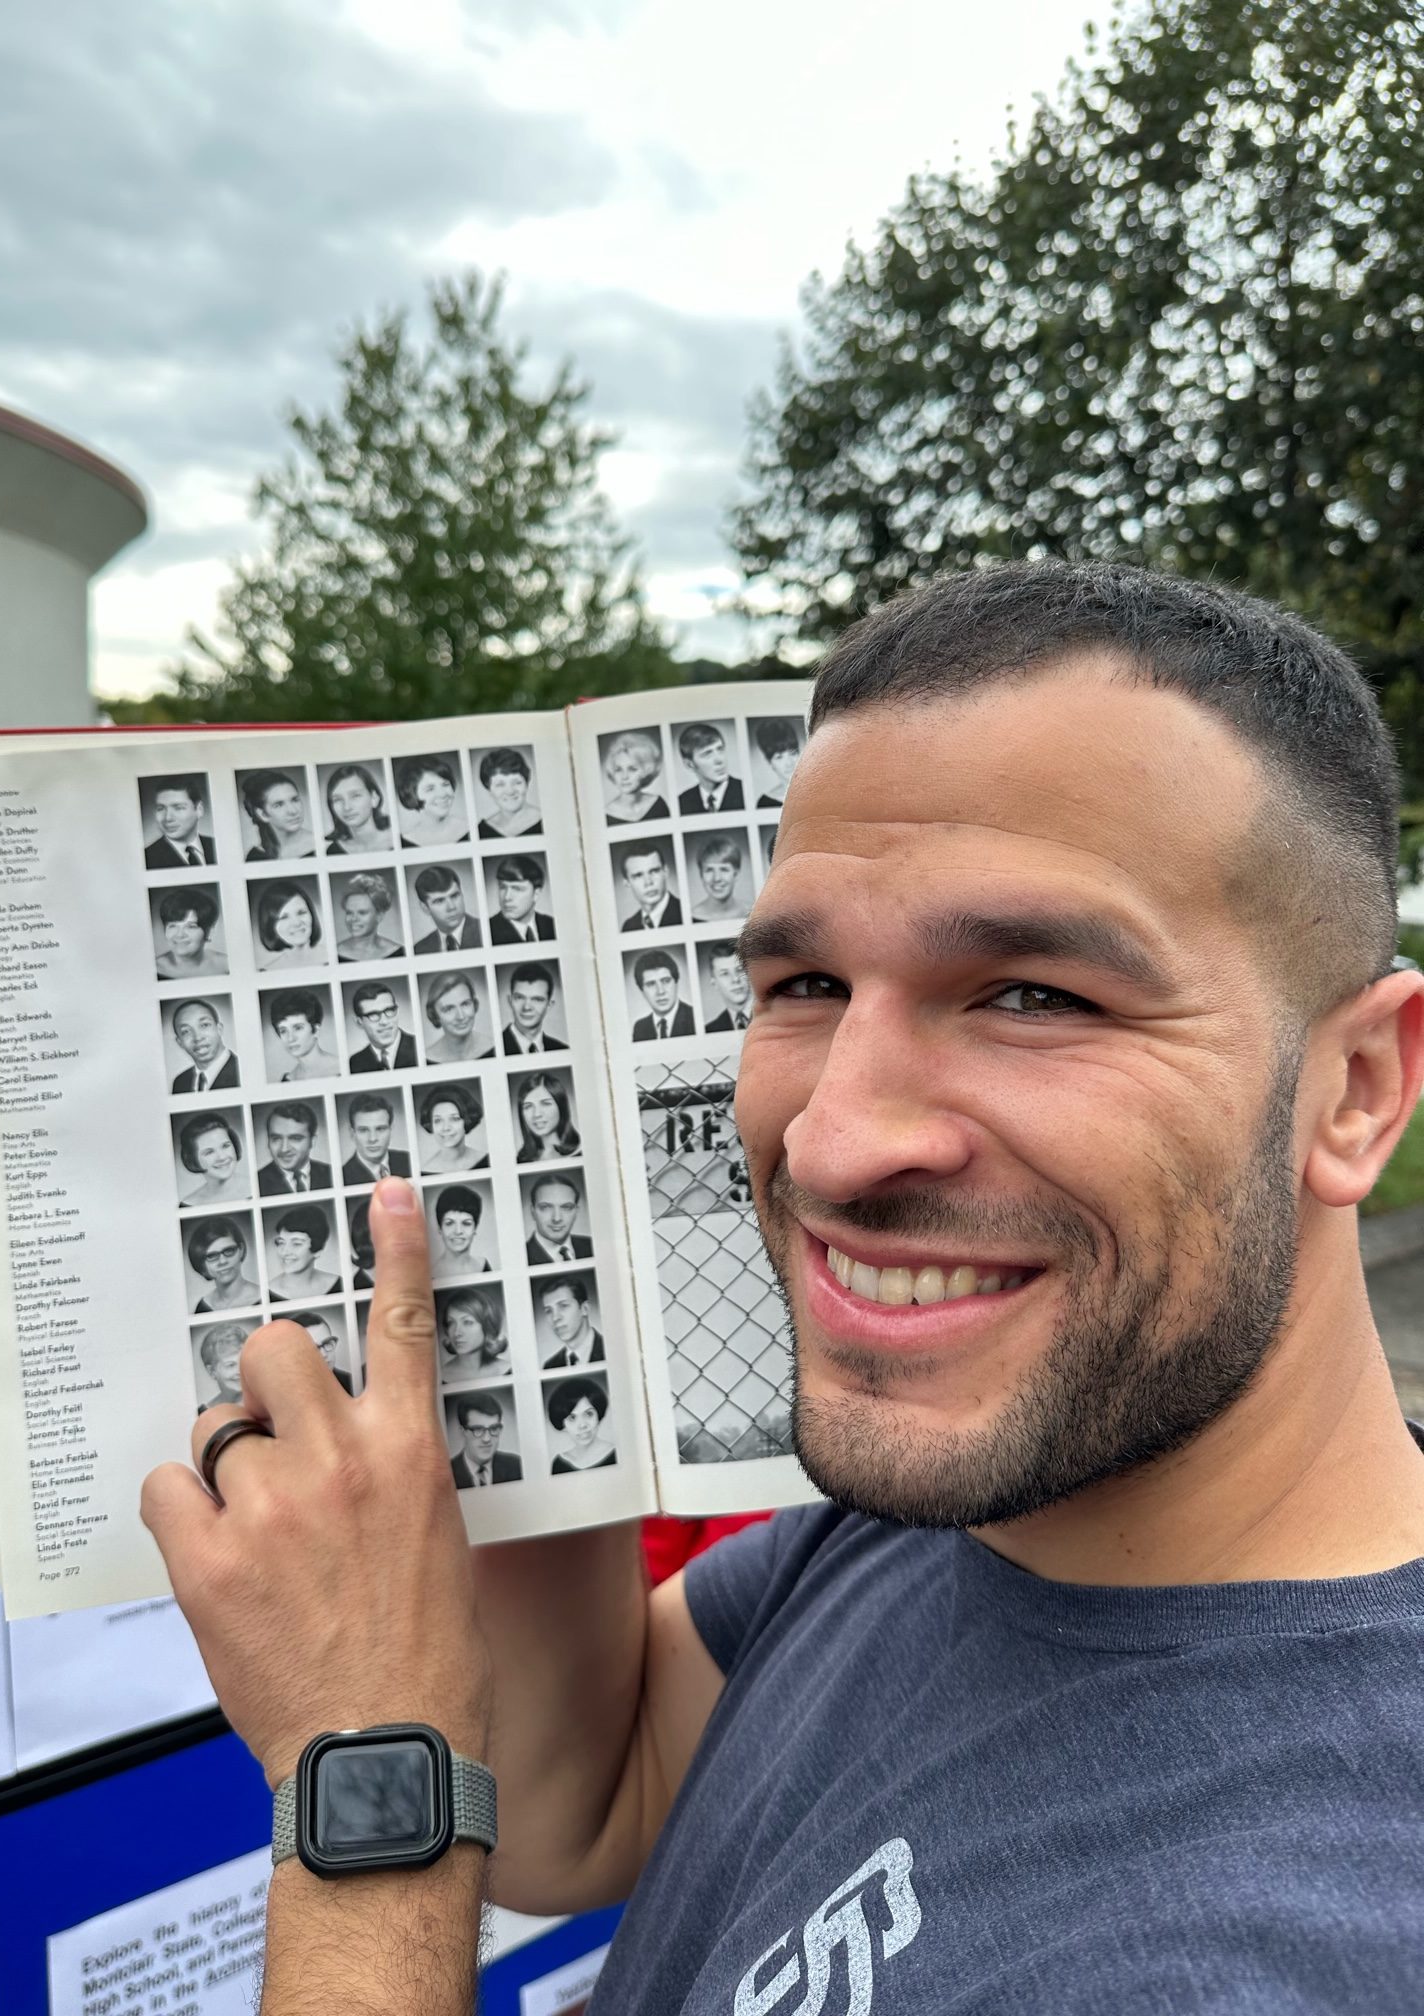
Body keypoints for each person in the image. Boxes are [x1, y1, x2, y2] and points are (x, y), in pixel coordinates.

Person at [147, 563, 1424, 2016]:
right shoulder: (972, 1510)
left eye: (1034, 996)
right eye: (804, 986)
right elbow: (584, 1803)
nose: (832, 1136)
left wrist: (364, 1759)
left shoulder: (1302, 1949)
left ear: (1357, 1091)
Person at [266, 1203, 340, 1302]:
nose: (284, 1251)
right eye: (281, 1242)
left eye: (296, 1243)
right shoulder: (266, 1292)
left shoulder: (340, 1284)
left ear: (318, 1250)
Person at [257, 1101, 333, 1196]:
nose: (284, 1149)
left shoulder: (333, 1174)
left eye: (295, 1138)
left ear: (312, 1141)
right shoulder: (256, 1183)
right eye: (276, 1139)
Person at [394, 754, 470, 849]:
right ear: (412, 795)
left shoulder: (471, 829)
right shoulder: (403, 844)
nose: (442, 794)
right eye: (430, 789)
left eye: (445, 784)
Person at [155, 886, 229, 980]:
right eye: (172, 926)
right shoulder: (153, 970)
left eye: (191, 926)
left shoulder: (228, 965)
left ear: (209, 932)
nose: (180, 935)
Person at [242, 769, 317, 862]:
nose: (293, 811)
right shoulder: (255, 856)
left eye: (295, 800)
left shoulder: (323, 846)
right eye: (278, 805)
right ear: (263, 814)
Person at [184, 1218, 257, 1313]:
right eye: (212, 1256)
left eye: (229, 1251)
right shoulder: (202, 1307)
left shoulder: (265, 1297)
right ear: (202, 1262)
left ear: (241, 1250)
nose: (222, 1261)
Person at [438, 1290, 511, 1384]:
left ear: (487, 1326)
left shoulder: (509, 1370)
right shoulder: (440, 1377)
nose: (456, 1332)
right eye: (451, 1323)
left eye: (467, 1322)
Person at [178, 1112, 250, 1207]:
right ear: (193, 1159)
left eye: (225, 1146)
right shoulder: (187, 1205)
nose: (222, 1157)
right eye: (209, 1152)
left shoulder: (260, 1187)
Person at [546, 1376, 616, 1473]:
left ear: (598, 1415)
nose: (582, 1425)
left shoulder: (617, 1454)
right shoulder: (558, 1463)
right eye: (572, 1418)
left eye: (589, 1414)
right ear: (563, 1424)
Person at [144, 775, 215, 869]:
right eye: (160, 808)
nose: (168, 818)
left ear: (199, 809)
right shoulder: (147, 858)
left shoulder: (216, 846)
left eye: (178, 808)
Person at [169, 998, 239, 1093]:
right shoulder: (180, 1082)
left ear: (219, 1029)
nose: (197, 1038)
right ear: (180, 1042)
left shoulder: (242, 1072)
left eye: (204, 1025)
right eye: (186, 1031)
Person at [341, 1092, 412, 1185]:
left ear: (391, 1130)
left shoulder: (409, 1161)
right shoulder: (343, 1178)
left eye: (380, 1129)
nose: (372, 1139)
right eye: (363, 1130)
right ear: (352, 1133)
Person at [410, 865, 483, 955]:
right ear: (425, 908)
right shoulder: (419, 950)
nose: (451, 907)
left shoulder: (488, 932)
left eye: (454, 896)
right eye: (440, 901)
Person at [601, 731, 669, 826]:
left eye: (632, 769)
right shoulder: (606, 814)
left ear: (646, 770)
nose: (624, 776)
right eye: (618, 770)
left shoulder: (658, 804)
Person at [268, 990, 338, 1082]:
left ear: (316, 1030)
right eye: (283, 1031)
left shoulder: (342, 1068)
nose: (290, 1038)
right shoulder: (288, 1080)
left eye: (298, 1028)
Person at [424, 972, 493, 1063]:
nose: (460, 1016)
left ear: (475, 1005)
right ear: (434, 1015)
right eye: (448, 1009)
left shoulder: (495, 1047)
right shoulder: (425, 1059)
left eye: (465, 1004)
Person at [324, 763, 393, 855]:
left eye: (355, 796)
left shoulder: (399, 844)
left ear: (374, 798)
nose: (347, 807)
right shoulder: (332, 852)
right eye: (337, 799)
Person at [676, 721, 743, 815]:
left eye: (720, 749)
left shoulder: (744, 791)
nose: (720, 760)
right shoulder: (681, 803)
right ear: (689, 765)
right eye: (707, 754)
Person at [525, 1173, 593, 1265]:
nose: (557, 1218)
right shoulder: (521, 1257)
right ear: (532, 1212)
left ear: (576, 1211)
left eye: (566, 1207)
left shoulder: (592, 1246)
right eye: (545, 1207)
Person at [348, 981, 418, 1072]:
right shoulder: (354, 1063)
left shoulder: (420, 1047)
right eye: (373, 1015)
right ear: (359, 1022)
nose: (384, 1022)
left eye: (389, 1011)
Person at [500, 962, 566, 1056]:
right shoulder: (492, 1051)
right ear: (510, 1001)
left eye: (537, 999)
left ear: (549, 1005)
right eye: (519, 997)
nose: (527, 1007)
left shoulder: (562, 1051)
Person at [256, 882, 326, 971]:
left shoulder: (335, 958)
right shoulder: (266, 972)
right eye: (284, 917)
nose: (296, 923)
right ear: (270, 926)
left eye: (301, 912)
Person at [538, 1275, 604, 1368]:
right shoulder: (549, 1366)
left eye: (563, 1306)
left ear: (584, 1308)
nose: (555, 1318)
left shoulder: (611, 1350)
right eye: (549, 1311)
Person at [515, 1071, 581, 1163]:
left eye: (546, 1103)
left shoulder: (584, 1152)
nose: (536, 1114)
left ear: (561, 1106)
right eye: (528, 1106)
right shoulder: (519, 1161)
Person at [429, 1185, 492, 1282]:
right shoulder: (430, 1274)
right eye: (449, 1223)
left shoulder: (483, 1265)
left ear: (475, 1227)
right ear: (439, 1228)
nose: (458, 1231)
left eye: (466, 1223)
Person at [419, 1083, 487, 1172]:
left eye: (454, 1119)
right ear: (430, 1124)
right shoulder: (426, 1171)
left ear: (467, 1120)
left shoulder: (487, 1160)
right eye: (438, 1121)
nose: (446, 1127)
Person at [630, 949, 696, 1041]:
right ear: (642, 990)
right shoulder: (640, 1028)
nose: (660, 991)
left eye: (666, 981)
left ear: (676, 982)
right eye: (651, 984)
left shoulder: (695, 1018)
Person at [335, 873, 402, 962]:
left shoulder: (399, 952)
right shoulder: (333, 954)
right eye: (349, 913)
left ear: (379, 916)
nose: (353, 919)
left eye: (362, 913)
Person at [476, 747, 542, 838]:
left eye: (517, 783)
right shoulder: (480, 831)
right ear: (489, 789)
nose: (510, 791)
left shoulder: (547, 821)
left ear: (526, 784)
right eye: (500, 785)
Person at [287, 1310, 355, 1396]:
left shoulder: (352, 1383)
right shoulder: (285, 1394)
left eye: (327, 1343)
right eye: (313, 1348)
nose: (324, 1354)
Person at [488, 856, 555, 944]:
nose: (507, 897)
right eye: (502, 887)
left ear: (536, 894)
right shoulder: (488, 930)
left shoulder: (551, 924)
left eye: (517, 889)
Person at [619, 843, 682, 931]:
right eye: (638, 875)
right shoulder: (628, 927)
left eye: (654, 871)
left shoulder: (687, 914)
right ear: (627, 883)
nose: (648, 882)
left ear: (666, 872)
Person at [195, 1319, 251, 1410]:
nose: (240, 1371)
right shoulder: (204, 1413)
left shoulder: (266, 1402)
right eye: (230, 1365)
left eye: (243, 1362)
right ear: (212, 1371)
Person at [688, 835, 745, 924]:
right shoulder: (689, 917)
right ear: (701, 875)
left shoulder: (754, 913)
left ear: (736, 874)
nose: (717, 878)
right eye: (709, 870)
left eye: (724, 869)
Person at [702, 942, 753, 1033]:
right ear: (714, 983)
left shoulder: (776, 1017)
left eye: (740, 970)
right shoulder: (709, 1030)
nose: (735, 979)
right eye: (725, 974)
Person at [753, 717, 803, 807]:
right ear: (769, 762)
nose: (789, 763)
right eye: (779, 757)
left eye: (792, 753)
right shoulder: (764, 803)